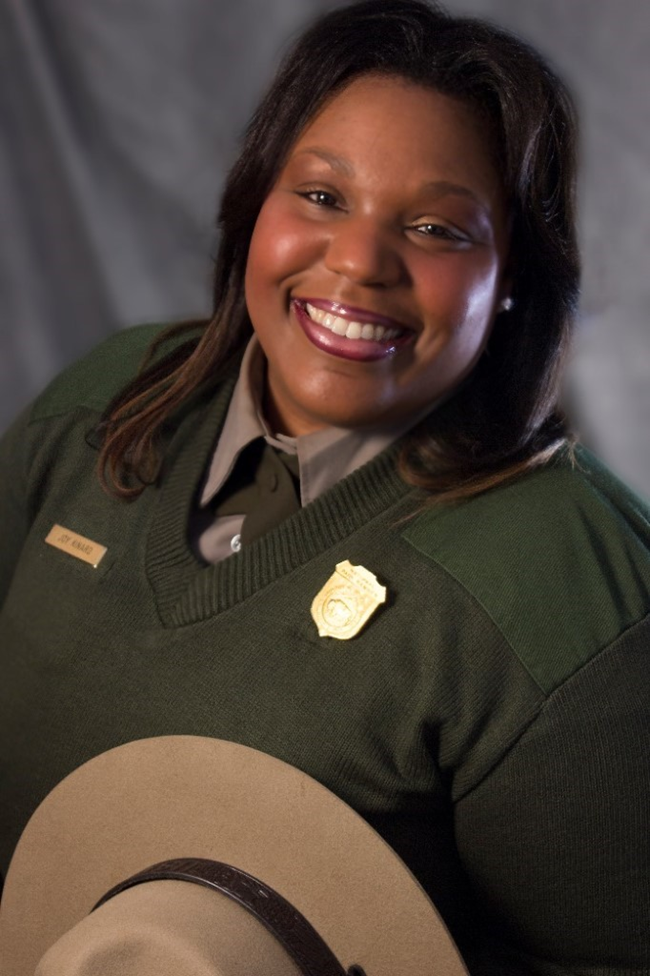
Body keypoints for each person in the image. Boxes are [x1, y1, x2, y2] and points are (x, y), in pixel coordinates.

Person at [0, 1, 648, 973]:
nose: (357, 262)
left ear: (511, 273)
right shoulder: (103, 403)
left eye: (435, 226)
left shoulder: (565, 593)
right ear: (254, 201)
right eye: (320, 196)